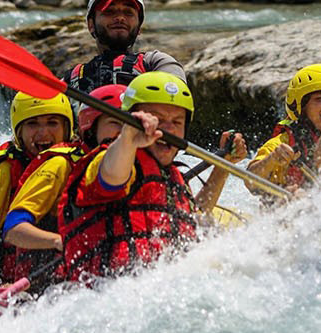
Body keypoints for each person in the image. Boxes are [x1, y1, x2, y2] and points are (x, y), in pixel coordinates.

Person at [55, 71, 245, 282]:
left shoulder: (172, 175)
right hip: (106, 290)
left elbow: (193, 220)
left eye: (177, 121)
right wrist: (127, 138)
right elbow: (112, 176)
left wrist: (223, 165)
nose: (169, 129)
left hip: (165, 288)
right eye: (158, 119)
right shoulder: (110, 158)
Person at [0, 84, 128, 291]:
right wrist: (60, 241)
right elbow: (13, 229)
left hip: (107, 283)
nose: (125, 132)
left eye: (130, 125)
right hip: (46, 289)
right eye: (115, 122)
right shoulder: (59, 164)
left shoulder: (141, 165)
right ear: (91, 129)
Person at [0, 93, 74, 286]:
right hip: (7, 280)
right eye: (32, 124)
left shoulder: (77, 161)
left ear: (66, 129)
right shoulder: (6, 172)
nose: (43, 133)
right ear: (19, 132)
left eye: (52, 123)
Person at [244, 63, 321, 196]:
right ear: (302, 107)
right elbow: (250, 181)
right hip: (288, 204)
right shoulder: (283, 143)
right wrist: (272, 159)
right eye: (320, 98)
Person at [65, 0, 187, 94]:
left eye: (128, 12)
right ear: (91, 25)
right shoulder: (72, 79)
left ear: (139, 27)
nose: (120, 18)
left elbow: (176, 98)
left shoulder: (156, 63)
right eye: (109, 11)